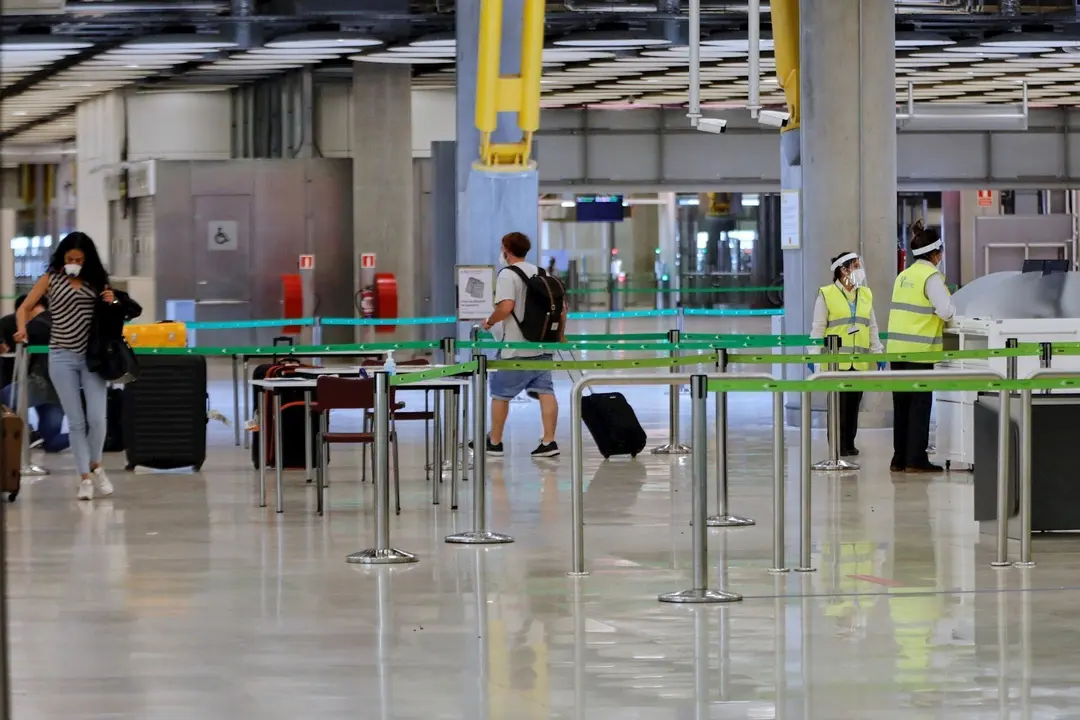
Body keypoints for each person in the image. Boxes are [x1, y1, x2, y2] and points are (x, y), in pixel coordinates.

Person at [16, 232, 118, 499]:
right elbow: (24, 307)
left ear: (87, 260)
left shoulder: (97, 281)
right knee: (76, 421)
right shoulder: (51, 279)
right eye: (69, 258)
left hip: (92, 358)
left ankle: (96, 465)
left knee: (97, 419)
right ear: (62, 257)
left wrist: (112, 302)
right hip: (61, 356)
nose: (73, 263)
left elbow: (115, 315)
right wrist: (21, 329)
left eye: (79, 259)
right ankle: (84, 478)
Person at [480, 231, 566, 458]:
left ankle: (494, 442)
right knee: (546, 391)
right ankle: (549, 441)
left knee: (500, 394)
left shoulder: (508, 275)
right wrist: (559, 335)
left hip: (516, 347)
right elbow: (561, 308)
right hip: (542, 345)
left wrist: (490, 321)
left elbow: (506, 306)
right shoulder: (541, 272)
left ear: (507, 249)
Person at [886, 222, 955, 473]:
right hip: (919, 350)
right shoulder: (931, 277)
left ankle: (899, 458)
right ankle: (915, 459)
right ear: (935, 253)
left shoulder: (903, 276)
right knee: (919, 405)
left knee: (902, 404)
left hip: (897, 349)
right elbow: (946, 311)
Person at [809, 251, 884, 457]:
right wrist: (814, 356)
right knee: (838, 404)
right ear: (843, 270)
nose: (860, 270)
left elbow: (872, 326)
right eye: (856, 266)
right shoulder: (827, 294)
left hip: (858, 361)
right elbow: (818, 328)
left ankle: (849, 442)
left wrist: (877, 351)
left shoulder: (865, 294)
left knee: (853, 403)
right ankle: (836, 444)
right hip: (836, 361)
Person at [0, 295, 68, 453]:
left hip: (39, 383)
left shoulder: (34, 326)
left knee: (5, 397)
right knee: (52, 441)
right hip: (59, 387)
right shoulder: (60, 322)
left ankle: (25, 432)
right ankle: (89, 432)